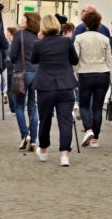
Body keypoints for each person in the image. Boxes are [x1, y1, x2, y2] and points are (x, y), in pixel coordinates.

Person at [32, 14, 79, 166]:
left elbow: (33, 60)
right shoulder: (66, 42)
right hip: (65, 85)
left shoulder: (38, 44)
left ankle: (44, 150)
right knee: (65, 121)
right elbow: (75, 60)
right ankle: (64, 155)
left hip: (45, 87)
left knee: (45, 120)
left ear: (43, 27)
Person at [74, 11, 112, 148]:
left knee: (84, 105)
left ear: (85, 23)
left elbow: (75, 60)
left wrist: (76, 75)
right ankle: (95, 139)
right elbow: (110, 61)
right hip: (102, 74)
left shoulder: (79, 38)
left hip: (85, 74)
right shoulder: (105, 39)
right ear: (99, 23)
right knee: (97, 107)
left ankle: (89, 129)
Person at [10, 12, 40, 151]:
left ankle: (24, 135)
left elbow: (12, 55)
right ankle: (34, 140)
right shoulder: (38, 37)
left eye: (23, 19)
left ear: (28, 22)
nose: (20, 21)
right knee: (33, 106)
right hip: (36, 73)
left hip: (21, 72)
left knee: (19, 106)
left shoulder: (19, 35)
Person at [5, 27, 17, 113]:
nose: (6, 34)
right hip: (17, 66)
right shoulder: (15, 43)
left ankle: (13, 107)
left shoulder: (11, 44)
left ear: (10, 33)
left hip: (10, 66)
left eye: (7, 32)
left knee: (11, 88)